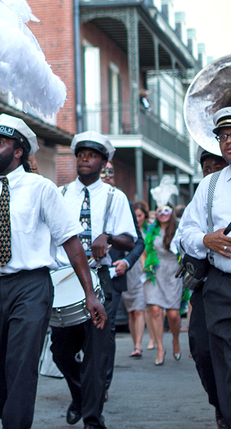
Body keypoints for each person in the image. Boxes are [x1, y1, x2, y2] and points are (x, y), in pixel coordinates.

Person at [0, 114, 105, 429]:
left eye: (0, 143)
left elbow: (71, 242)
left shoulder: (42, 189)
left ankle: (15, 422)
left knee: (21, 365)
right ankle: (11, 412)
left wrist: (90, 294)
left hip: (31, 286)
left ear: (19, 151)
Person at [50, 131, 136, 429]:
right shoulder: (59, 194)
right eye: (81, 154)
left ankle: (92, 418)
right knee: (60, 350)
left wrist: (109, 237)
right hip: (63, 278)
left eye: (92, 155)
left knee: (97, 352)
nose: (85, 159)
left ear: (103, 161)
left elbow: (130, 240)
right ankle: (81, 394)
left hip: (100, 277)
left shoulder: (115, 196)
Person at [180, 105, 231, 429]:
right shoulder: (209, 186)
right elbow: (186, 233)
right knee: (228, 372)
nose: (228, 142)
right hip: (222, 287)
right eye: (223, 136)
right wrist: (204, 240)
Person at [180, 146, 227, 427]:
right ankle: (221, 405)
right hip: (207, 284)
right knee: (202, 350)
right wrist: (204, 239)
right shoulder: (203, 193)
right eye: (206, 168)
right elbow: (184, 237)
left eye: (216, 166)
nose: (211, 172)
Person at [99, 162, 145, 394]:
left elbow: (139, 241)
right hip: (80, 274)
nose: (106, 176)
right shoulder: (78, 197)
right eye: (102, 171)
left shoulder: (121, 200)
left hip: (112, 276)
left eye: (110, 171)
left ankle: (102, 386)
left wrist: (126, 262)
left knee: (106, 329)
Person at [142, 203, 182, 365]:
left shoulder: (180, 228)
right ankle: (160, 348)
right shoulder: (152, 231)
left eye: (166, 210)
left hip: (174, 272)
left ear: (171, 212)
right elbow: (145, 251)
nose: (163, 213)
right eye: (159, 210)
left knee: (173, 314)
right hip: (155, 272)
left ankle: (176, 340)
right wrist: (146, 267)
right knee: (155, 310)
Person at [122, 201, 149, 357]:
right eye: (135, 215)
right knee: (131, 312)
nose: (137, 218)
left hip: (142, 274)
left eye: (140, 215)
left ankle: (138, 345)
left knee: (139, 310)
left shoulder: (150, 232)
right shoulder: (126, 230)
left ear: (144, 216)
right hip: (128, 273)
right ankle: (135, 344)